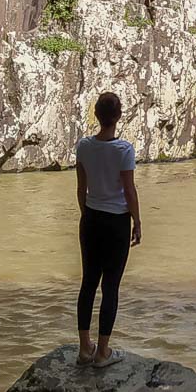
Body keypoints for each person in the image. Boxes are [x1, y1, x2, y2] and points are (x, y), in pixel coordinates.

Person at [74, 91, 141, 367]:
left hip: (90, 219)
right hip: (116, 223)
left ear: (97, 115)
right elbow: (129, 190)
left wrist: (86, 213)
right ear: (119, 116)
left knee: (88, 282)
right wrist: (137, 221)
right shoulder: (124, 150)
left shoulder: (83, 146)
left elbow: (80, 188)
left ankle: (83, 348)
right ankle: (103, 352)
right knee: (110, 286)